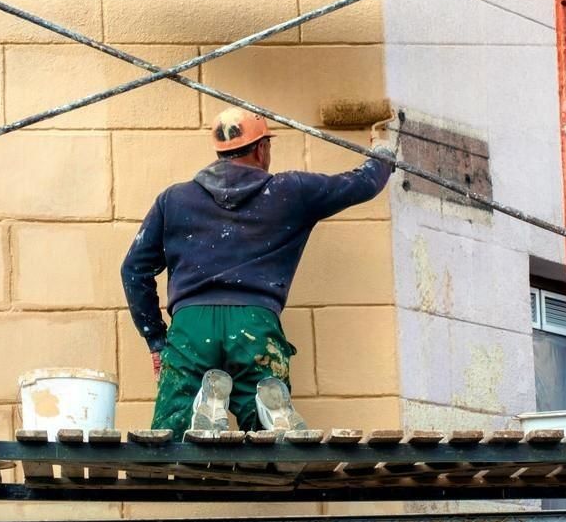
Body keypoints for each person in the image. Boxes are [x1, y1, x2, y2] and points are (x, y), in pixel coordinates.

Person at [121, 107, 395, 436]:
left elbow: (134, 269)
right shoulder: (290, 190)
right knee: (266, 433)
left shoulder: (174, 199)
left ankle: (205, 405)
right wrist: (382, 152)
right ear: (262, 149)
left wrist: (156, 339)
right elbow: (362, 183)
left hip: (191, 326)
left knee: (173, 433)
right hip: (255, 323)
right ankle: (267, 411)